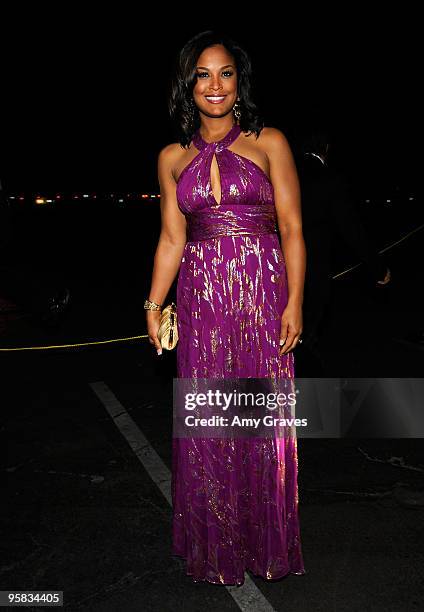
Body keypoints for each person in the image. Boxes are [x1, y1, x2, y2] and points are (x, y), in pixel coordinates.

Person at [145, 30, 306, 585]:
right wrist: (152, 302)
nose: (215, 85)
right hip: (200, 304)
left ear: (240, 84)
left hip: (262, 298)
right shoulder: (171, 157)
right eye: (203, 75)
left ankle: (265, 546)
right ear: (188, 85)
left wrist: (296, 303)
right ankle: (218, 548)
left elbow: (292, 229)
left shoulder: (270, 142)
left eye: (226, 73)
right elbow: (171, 239)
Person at [295, 127, 391, 374]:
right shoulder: (328, 179)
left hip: (278, 268)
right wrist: (379, 268)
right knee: (307, 337)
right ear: (325, 150)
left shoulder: (287, 173)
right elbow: (352, 229)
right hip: (313, 271)